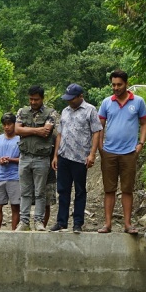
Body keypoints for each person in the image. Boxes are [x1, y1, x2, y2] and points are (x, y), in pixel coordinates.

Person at [97, 69, 146, 234]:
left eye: (119, 84)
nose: (116, 88)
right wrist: (100, 147)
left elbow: (144, 123)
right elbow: (100, 126)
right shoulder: (106, 102)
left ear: (126, 84)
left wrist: (140, 143)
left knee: (127, 189)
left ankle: (127, 224)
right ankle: (107, 224)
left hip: (129, 152)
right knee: (109, 189)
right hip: (109, 152)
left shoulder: (138, 101)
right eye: (113, 84)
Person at [50, 83, 102, 233]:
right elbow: (60, 133)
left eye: (72, 99)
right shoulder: (65, 111)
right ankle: (61, 222)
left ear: (80, 97)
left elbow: (96, 132)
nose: (69, 102)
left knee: (80, 190)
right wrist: (56, 155)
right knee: (63, 190)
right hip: (64, 155)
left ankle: (78, 223)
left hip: (80, 157)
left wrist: (92, 154)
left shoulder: (90, 110)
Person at [15, 85, 58, 231]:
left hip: (42, 158)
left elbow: (46, 132)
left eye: (36, 99)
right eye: (31, 99)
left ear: (42, 98)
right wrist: (36, 130)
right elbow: (17, 130)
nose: (33, 102)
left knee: (40, 192)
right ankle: (24, 222)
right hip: (24, 156)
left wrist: (27, 130)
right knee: (25, 192)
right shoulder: (22, 111)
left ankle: (39, 221)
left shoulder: (50, 112)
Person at [0, 113, 21, 231]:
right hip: (0, 177)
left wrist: (11, 160)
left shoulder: (20, 139)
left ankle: (15, 235)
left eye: (9, 124)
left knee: (16, 207)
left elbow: (24, 159)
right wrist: (0, 160)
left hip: (15, 177)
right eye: (4, 125)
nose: (7, 127)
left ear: (14, 124)